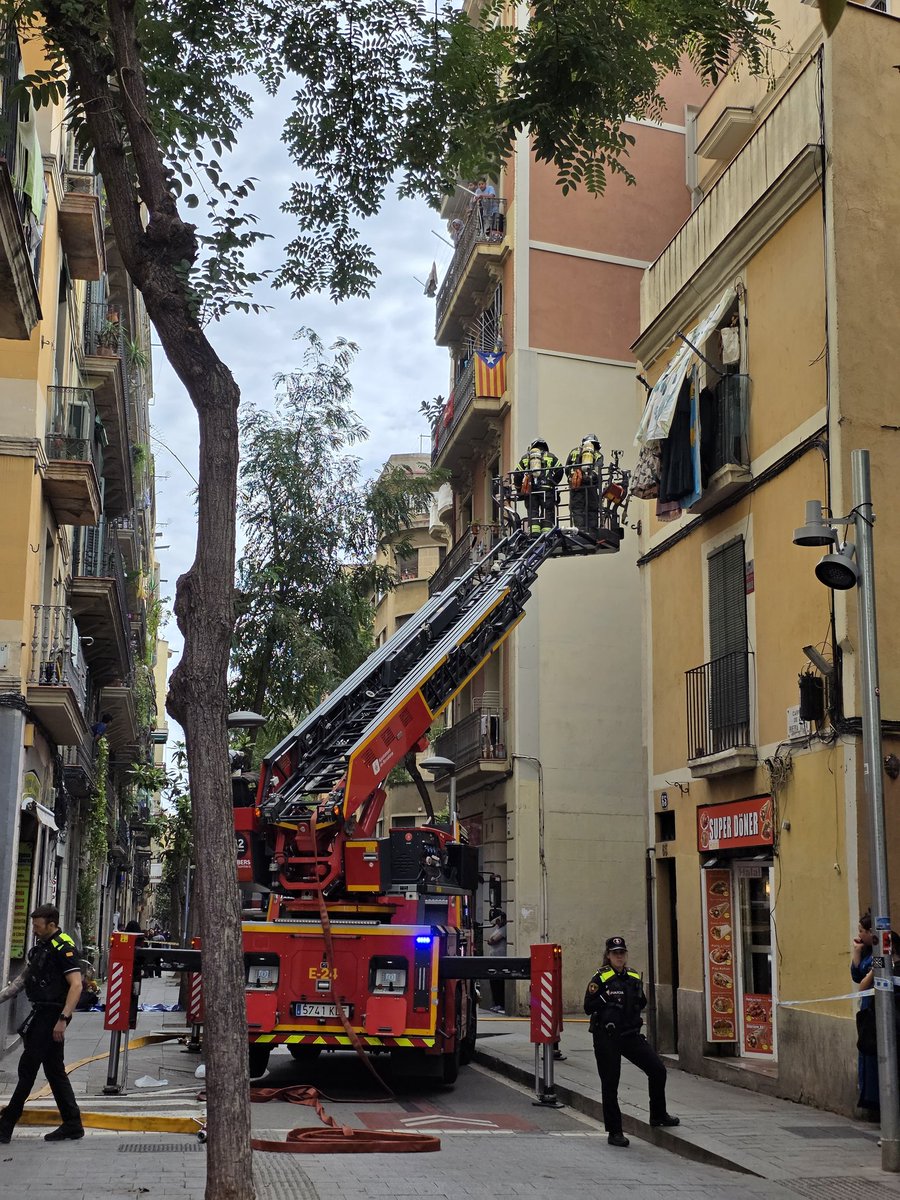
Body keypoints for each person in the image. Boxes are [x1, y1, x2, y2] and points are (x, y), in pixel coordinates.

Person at [0, 903, 84, 1143]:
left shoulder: (63, 947)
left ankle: (6, 1125)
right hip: (42, 1013)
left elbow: (76, 985)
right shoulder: (42, 947)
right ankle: (72, 1123)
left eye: (37, 926)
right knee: (55, 1071)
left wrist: (63, 1019)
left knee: (27, 1070)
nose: (34, 930)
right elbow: (23, 979)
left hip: (51, 1015)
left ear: (51, 924)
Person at [584, 935, 678, 1148]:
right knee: (610, 1083)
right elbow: (588, 1007)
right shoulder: (600, 978)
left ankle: (658, 1115)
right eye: (615, 953)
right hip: (607, 1037)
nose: (619, 957)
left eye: (622, 953)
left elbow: (641, 1001)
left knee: (657, 1069)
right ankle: (615, 1131)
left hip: (630, 1035)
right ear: (608, 956)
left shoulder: (633, 976)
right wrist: (605, 998)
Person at [851, 911, 879, 1118]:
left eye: (862, 930)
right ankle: (869, 1099)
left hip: (877, 1009)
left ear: (871, 931)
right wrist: (857, 953)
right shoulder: (867, 951)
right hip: (867, 1009)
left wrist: (867, 976)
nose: (859, 934)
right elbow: (856, 974)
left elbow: (864, 984)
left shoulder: (880, 954)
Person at [513, 439, 563, 535]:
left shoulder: (525, 458)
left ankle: (534, 533)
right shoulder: (551, 456)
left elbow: (517, 475)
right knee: (547, 511)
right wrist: (553, 483)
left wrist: (519, 490)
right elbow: (560, 470)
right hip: (547, 489)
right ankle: (547, 533)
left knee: (533, 511)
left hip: (531, 491)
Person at [565, 434, 603, 534]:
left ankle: (580, 531)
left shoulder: (574, 451)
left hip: (576, 485)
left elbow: (566, 468)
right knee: (592, 508)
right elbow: (598, 469)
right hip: (591, 485)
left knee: (577, 508)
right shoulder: (597, 454)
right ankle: (592, 532)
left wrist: (571, 477)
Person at [486, 910, 508, 1014]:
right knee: (493, 982)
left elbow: (493, 940)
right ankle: (496, 1003)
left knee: (498, 982)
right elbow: (490, 940)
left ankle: (500, 1003)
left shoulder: (505, 929)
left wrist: (490, 940)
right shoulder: (498, 928)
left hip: (501, 959)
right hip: (494, 958)